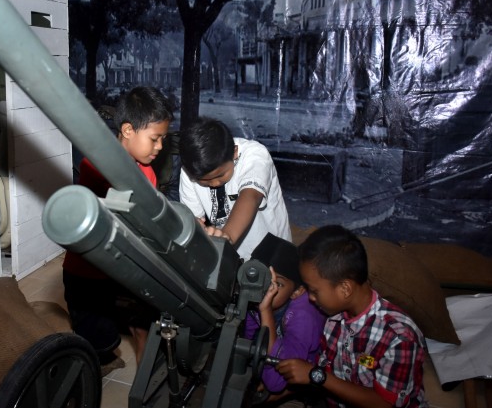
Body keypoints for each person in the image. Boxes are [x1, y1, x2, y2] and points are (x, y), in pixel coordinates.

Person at [62, 86, 173, 370]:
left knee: (146, 309)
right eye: (155, 139)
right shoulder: (95, 165)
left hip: (126, 263)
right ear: (127, 130)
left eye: (163, 139)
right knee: (94, 334)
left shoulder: (147, 171)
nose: (160, 147)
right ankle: (97, 361)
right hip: (89, 268)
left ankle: (145, 356)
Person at [276, 225, 429, 408]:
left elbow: (385, 404)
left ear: (345, 289)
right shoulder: (332, 318)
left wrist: (317, 376)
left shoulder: (399, 338)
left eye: (314, 290)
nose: (310, 297)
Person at [178, 117, 291, 260]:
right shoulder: (189, 173)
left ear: (234, 153)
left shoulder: (255, 155)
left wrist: (227, 237)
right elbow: (194, 219)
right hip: (230, 255)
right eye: (204, 180)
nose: (213, 183)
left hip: (273, 254)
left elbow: (251, 197)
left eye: (220, 175)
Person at [244, 233, 326, 407]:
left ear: (297, 291)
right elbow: (250, 341)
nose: (266, 289)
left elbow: (275, 382)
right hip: (276, 352)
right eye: (262, 278)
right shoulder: (253, 297)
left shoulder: (304, 314)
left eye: (277, 284)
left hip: (311, 370)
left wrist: (265, 310)